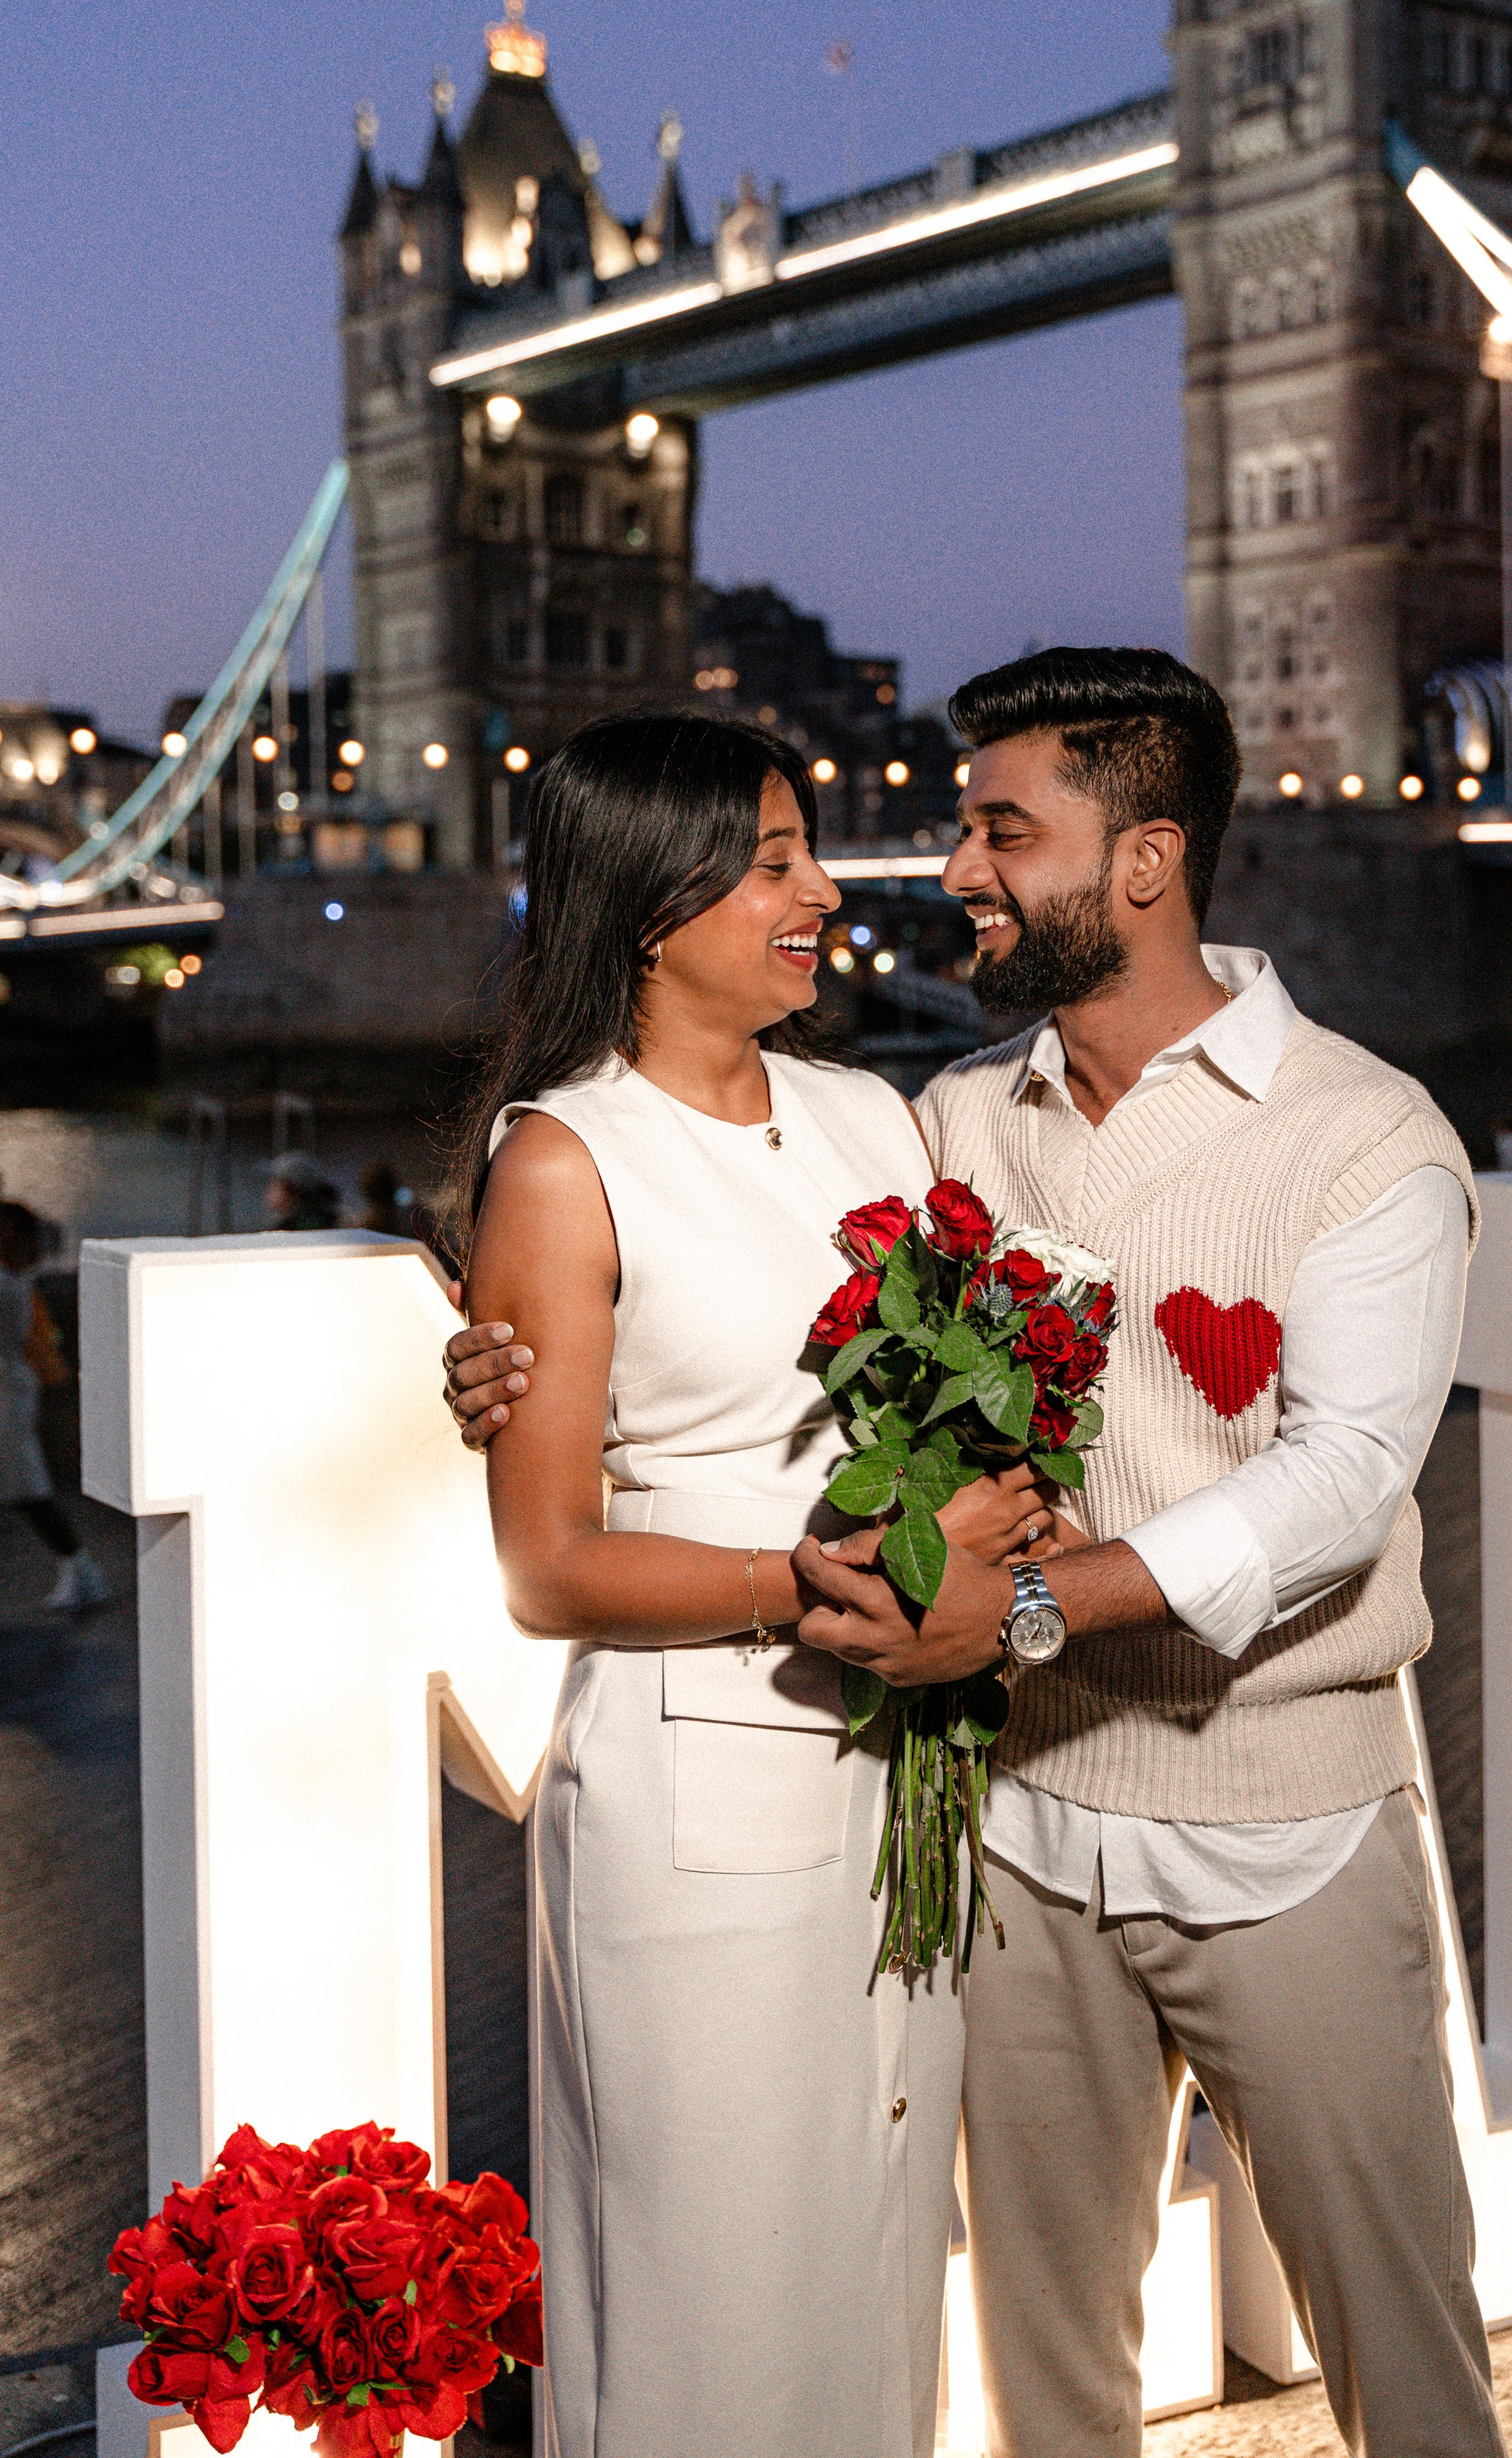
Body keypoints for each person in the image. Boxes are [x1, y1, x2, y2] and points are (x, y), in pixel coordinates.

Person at [447, 650, 1505, 2458]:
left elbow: (1334, 1482)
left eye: (999, 830)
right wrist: (495, 1351)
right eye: (956, 825)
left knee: (1403, 2358)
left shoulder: (1363, 1134)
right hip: (999, 1839)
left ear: (1145, 859)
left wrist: (1010, 1597)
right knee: (1033, 2381)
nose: (941, 868)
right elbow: (708, 1288)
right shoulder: (941, 1123)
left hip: (1279, 1827)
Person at [451, 712, 1049, 2458]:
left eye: (805, 851)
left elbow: (963, 1388)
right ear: (651, 900)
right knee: (705, 2294)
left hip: (902, 1778)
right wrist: (791, 1580)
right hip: (694, 1791)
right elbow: (545, 1561)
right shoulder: (562, 1160)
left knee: (872, 2264)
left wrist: (996, 1502)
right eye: (771, 858)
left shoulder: (874, 1120)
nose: (814, 890)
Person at [0, 1199, 106, 1614]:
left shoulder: (9, 1286)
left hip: (7, 1396)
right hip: (13, 1391)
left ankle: (81, 1569)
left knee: (29, 1491)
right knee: (27, 1491)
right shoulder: (16, 1281)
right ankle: (79, 1570)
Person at [264, 1150, 339, 1230]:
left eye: (275, 1184)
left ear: (292, 1189)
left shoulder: (307, 1226)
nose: (269, 1190)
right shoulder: (293, 1222)